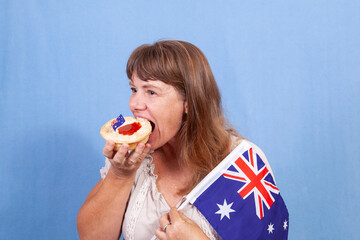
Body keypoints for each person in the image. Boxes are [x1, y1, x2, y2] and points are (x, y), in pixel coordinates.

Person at [77, 40, 274, 240]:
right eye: (134, 89)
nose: (133, 104)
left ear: (189, 102)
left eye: (151, 92)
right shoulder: (131, 158)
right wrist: (120, 176)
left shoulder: (241, 163)